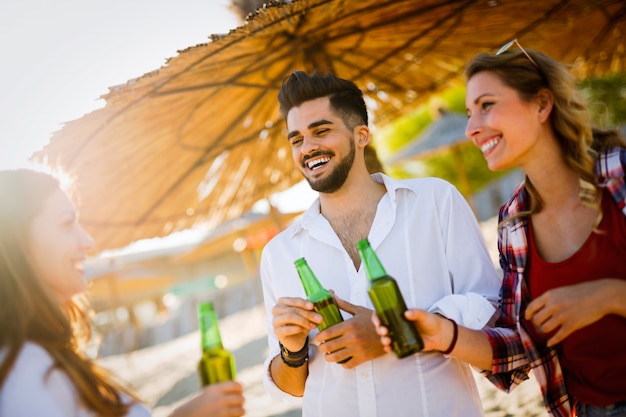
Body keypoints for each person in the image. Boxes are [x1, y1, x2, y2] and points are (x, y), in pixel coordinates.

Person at [373, 42, 626, 417]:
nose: (473, 128)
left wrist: (608, 297)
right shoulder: (514, 225)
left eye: (487, 105)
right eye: (470, 112)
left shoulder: (619, 175)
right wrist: (442, 335)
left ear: (542, 104)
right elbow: (519, 349)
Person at [259, 70, 502, 417]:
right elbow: (291, 387)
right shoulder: (279, 254)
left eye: (321, 131)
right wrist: (292, 351)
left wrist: (395, 330)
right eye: (296, 139)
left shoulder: (435, 201)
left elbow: (491, 311)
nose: (308, 147)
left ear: (362, 135)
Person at [0, 168, 246, 417]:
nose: (88, 241)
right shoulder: (24, 371)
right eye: (67, 224)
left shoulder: (39, 359)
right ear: (17, 242)